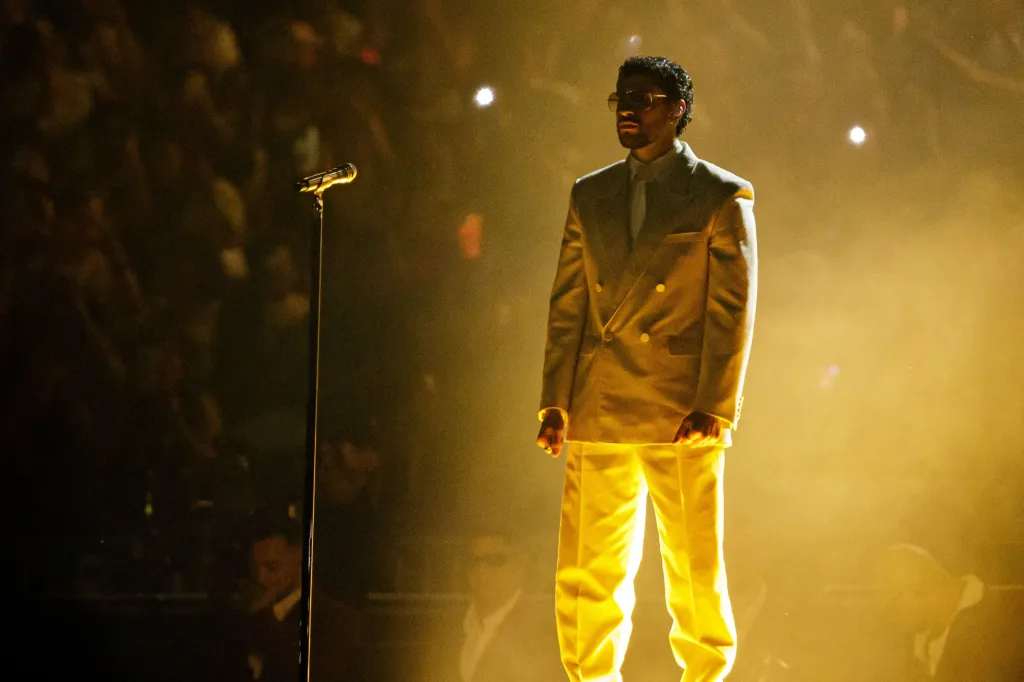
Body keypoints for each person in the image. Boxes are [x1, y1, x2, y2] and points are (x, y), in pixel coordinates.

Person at [536, 55, 758, 682]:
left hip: (679, 406)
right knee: (588, 568)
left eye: (644, 98)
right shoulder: (590, 191)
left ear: (678, 109)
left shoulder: (720, 193)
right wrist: (555, 399)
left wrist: (715, 405)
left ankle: (705, 676)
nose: (628, 109)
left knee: (693, 564)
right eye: (620, 99)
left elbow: (732, 311)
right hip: (598, 399)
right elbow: (567, 303)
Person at [426, 527, 562, 682]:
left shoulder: (548, 633)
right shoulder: (448, 630)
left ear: (520, 564)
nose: (481, 570)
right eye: (474, 561)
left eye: (495, 560)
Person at [872, 543, 1024, 681]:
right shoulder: (916, 640)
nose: (889, 617)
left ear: (919, 589)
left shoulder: (1013, 620)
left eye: (890, 606)